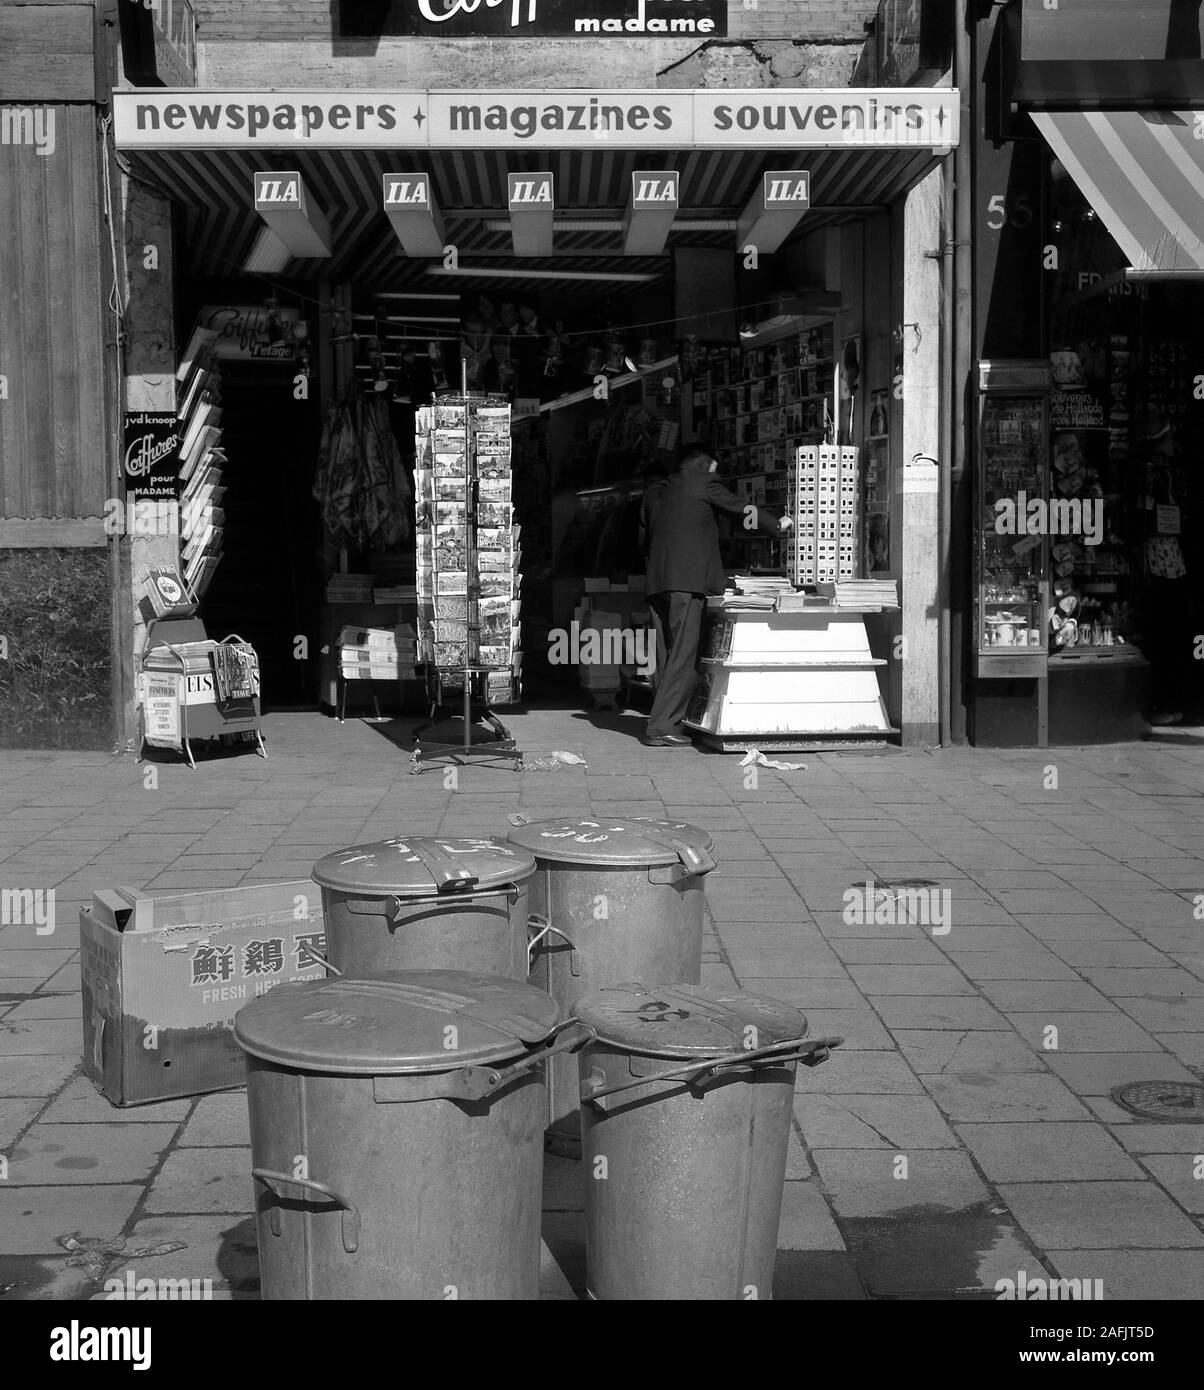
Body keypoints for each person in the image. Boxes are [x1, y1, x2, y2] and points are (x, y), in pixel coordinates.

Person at [637, 443, 793, 747]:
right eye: (715, 468)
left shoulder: (655, 492)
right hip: (686, 584)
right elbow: (740, 509)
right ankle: (660, 728)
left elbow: (643, 538)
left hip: (658, 584)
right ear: (706, 465)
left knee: (665, 655)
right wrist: (777, 524)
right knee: (683, 655)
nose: (717, 473)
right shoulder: (705, 483)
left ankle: (667, 718)